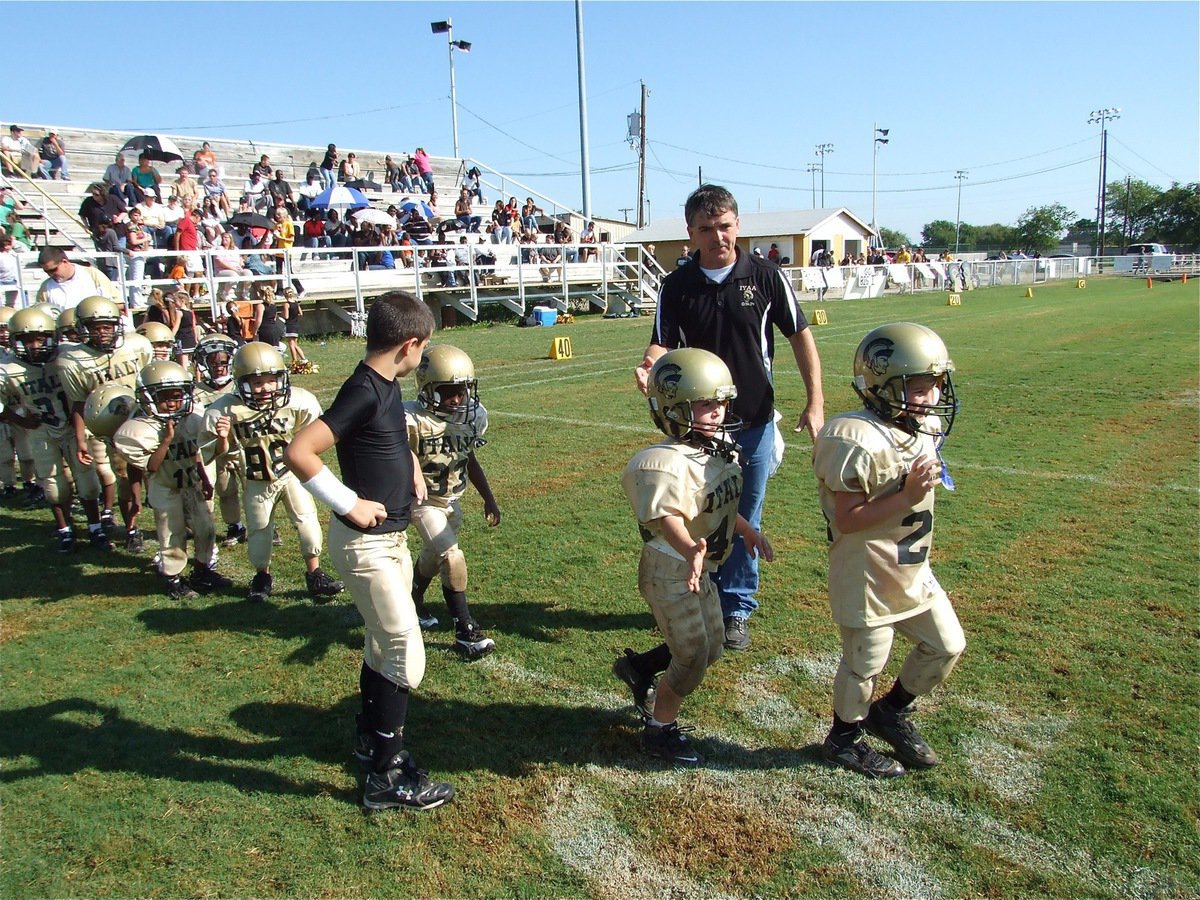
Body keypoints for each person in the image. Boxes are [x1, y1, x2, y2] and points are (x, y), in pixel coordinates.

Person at [633, 184, 824, 652]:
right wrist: (648, 363)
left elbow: (801, 336)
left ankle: (736, 607)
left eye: (724, 226)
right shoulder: (676, 286)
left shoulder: (764, 275)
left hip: (753, 420)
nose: (717, 237)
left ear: (738, 225)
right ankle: (702, 595)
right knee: (700, 515)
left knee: (742, 516)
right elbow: (661, 341)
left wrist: (815, 401)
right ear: (690, 233)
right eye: (705, 229)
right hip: (696, 429)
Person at [283, 291, 454, 811]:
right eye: (421, 351)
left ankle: (368, 736)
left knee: (382, 645)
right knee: (405, 654)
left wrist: (412, 468)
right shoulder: (363, 390)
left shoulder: (380, 385)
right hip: (367, 544)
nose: (421, 359)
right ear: (409, 345)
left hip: (390, 541)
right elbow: (299, 451)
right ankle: (387, 775)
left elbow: (385, 434)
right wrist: (348, 501)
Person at [812, 322, 964, 778]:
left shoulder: (923, 426)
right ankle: (842, 740)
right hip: (867, 571)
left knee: (947, 645)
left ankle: (891, 711)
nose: (930, 399)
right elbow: (848, 518)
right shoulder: (853, 438)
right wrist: (907, 494)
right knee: (864, 665)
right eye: (917, 389)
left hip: (912, 565)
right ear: (878, 385)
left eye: (934, 387)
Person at [616, 348, 773, 765]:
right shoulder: (663, 463)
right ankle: (659, 730)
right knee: (691, 657)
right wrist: (690, 549)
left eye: (721, 402)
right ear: (674, 407)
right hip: (671, 566)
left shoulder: (715, 451)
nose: (718, 413)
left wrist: (747, 531)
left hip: (697, 565)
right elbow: (667, 517)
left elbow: (718, 506)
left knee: (712, 646)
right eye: (706, 404)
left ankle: (640, 668)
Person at [202, 342, 345, 603]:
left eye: (271, 380)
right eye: (257, 383)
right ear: (241, 383)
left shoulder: (298, 401)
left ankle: (315, 574)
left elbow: (313, 437)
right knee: (259, 531)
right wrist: (223, 437)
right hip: (256, 480)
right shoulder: (225, 409)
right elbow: (220, 454)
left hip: (291, 475)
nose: (265, 388)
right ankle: (261, 576)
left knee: (308, 524)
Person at [403, 345, 500, 658]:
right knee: (451, 556)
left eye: (461, 392)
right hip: (423, 501)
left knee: (434, 556)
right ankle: (465, 630)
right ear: (427, 389)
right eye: (449, 393)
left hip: (451, 501)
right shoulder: (412, 420)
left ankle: (413, 599)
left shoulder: (470, 419)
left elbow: (469, 459)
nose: (458, 400)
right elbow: (398, 457)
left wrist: (489, 498)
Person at [113, 361, 232, 599]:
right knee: (172, 534)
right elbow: (152, 466)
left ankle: (202, 570)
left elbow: (199, 451)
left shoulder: (193, 418)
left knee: (205, 529)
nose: (172, 403)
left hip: (191, 482)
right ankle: (173, 578)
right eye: (165, 397)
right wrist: (166, 440)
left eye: (177, 396)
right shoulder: (138, 429)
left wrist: (206, 478)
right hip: (166, 488)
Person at [50, 295, 155, 552]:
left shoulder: (136, 346)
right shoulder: (73, 360)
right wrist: (80, 439)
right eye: (95, 327)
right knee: (125, 481)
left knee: (159, 478)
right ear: (83, 328)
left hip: (145, 419)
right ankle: (131, 528)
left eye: (107, 325)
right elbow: (77, 403)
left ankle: (174, 522)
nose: (102, 332)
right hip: (109, 428)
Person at [191, 333, 246, 546]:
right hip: (214, 450)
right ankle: (234, 525)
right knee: (225, 489)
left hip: (242, 446)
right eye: (212, 363)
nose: (219, 367)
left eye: (224, 362)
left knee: (254, 489)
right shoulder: (195, 392)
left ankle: (267, 525)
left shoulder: (240, 386)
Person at [35, 248, 122, 311]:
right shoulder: (45, 288)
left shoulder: (92, 274)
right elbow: (40, 313)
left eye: (53, 270)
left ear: (65, 261)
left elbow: (119, 304)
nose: (50, 274)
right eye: (46, 271)